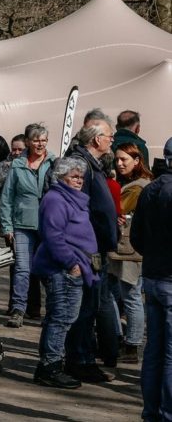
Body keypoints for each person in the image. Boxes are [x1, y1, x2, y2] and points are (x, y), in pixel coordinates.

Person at [31, 156, 97, 389]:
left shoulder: (71, 198)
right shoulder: (56, 199)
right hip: (61, 268)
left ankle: (48, 365)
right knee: (61, 318)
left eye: (81, 176)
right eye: (74, 177)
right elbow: (53, 236)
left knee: (59, 318)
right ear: (61, 178)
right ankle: (50, 367)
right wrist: (72, 263)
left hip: (69, 266)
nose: (79, 180)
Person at [65, 114, 121, 384]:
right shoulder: (82, 166)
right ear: (98, 139)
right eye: (110, 136)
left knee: (91, 305)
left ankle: (82, 357)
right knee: (86, 306)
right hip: (88, 248)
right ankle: (80, 360)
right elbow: (78, 209)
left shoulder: (91, 164)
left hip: (95, 246)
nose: (112, 140)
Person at [0, 123, 53, 328]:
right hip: (22, 224)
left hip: (48, 225)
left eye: (43, 140)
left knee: (47, 270)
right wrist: (7, 226)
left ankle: (52, 310)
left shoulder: (54, 162)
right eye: (36, 140)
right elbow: (7, 197)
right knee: (22, 269)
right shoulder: (17, 165)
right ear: (28, 142)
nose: (40, 144)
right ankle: (18, 310)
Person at [131, 157, 172, 420]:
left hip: (153, 275)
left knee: (155, 350)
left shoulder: (150, 188)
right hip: (166, 277)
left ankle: (151, 413)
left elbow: (137, 237)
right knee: (167, 354)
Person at [110, 142, 150, 363]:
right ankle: (124, 340)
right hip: (128, 249)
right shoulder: (132, 184)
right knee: (124, 296)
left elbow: (118, 210)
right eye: (117, 159)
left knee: (131, 296)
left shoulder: (138, 187)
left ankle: (132, 345)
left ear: (137, 161)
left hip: (130, 251)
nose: (119, 163)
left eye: (124, 159)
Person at [0, 133, 26, 215]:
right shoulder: (4, 164)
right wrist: (6, 171)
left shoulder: (33, 165)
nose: (16, 152)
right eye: (14, 149)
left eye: (20, 149)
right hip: (6, 209)